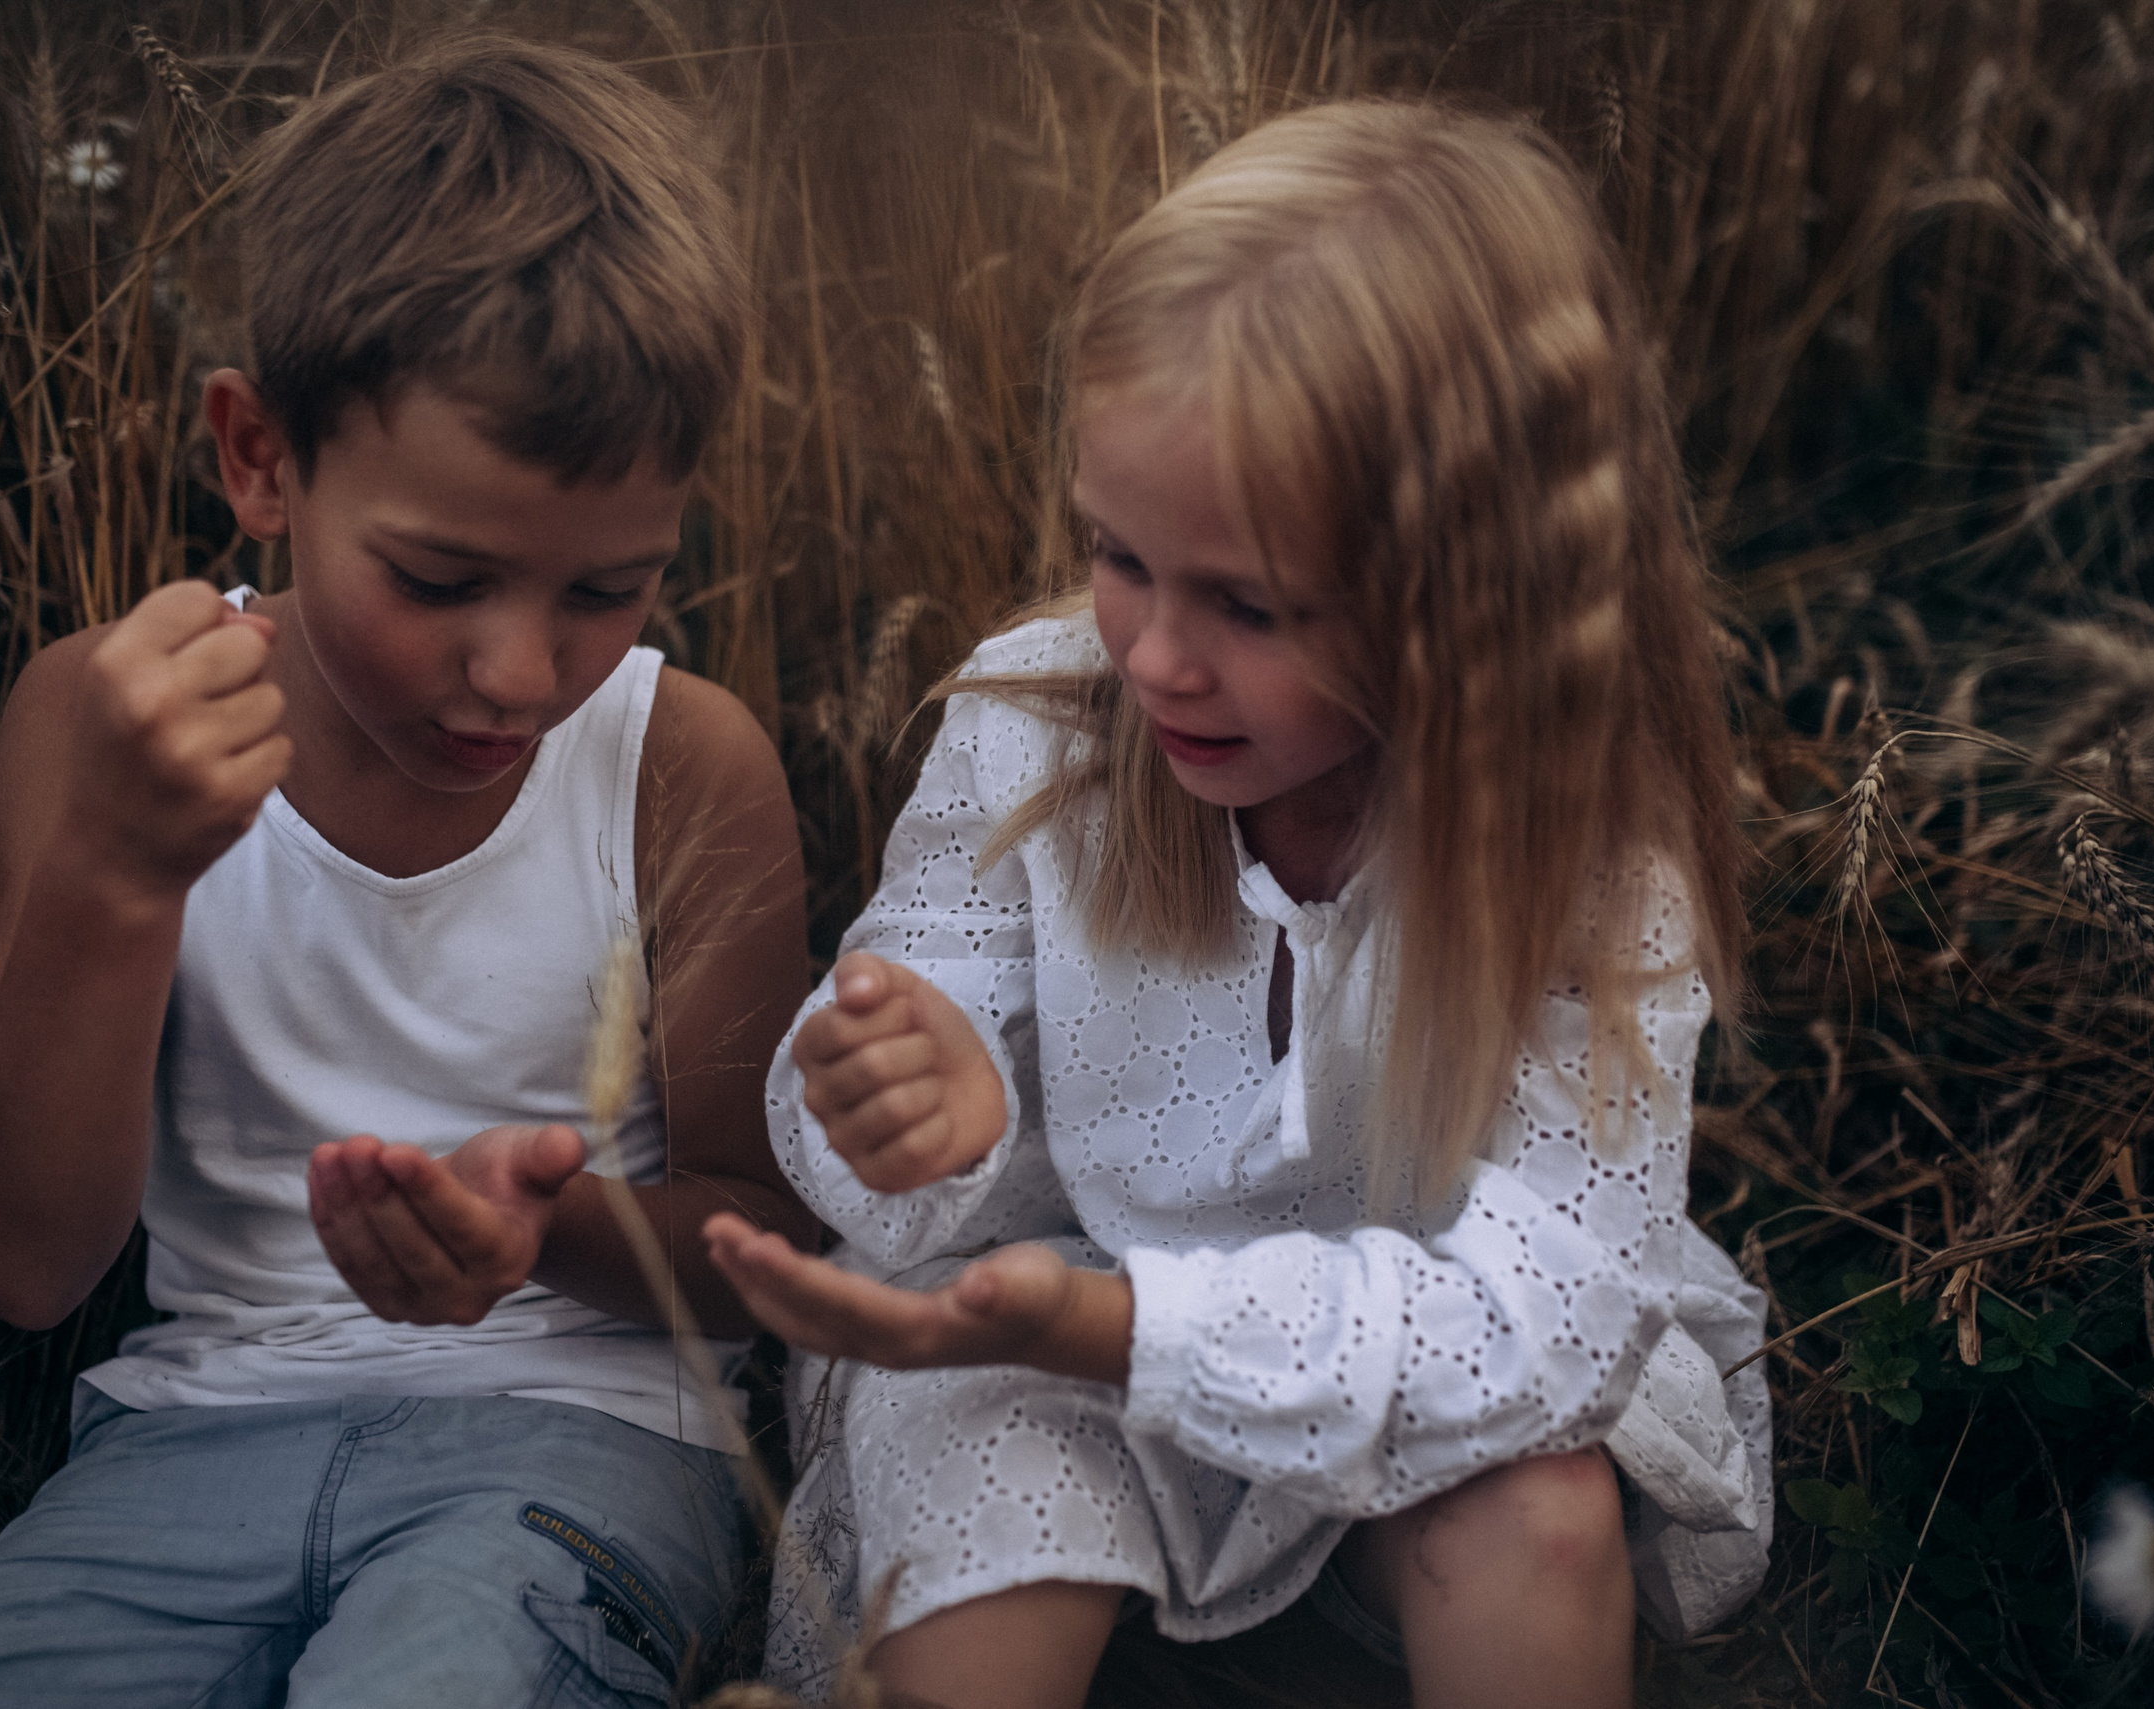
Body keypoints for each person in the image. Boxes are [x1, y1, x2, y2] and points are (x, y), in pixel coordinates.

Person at [704, 101, 1771, 1709]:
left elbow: (1537, 1317)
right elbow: (892, 1030)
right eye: (1117, 554)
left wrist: (1124, 1320)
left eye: (1251, 606)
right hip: (1037, 1337)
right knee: (984, 1494)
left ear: (1478, 599)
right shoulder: (1036, 728)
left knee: (1539, 1510)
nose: (1153, 655)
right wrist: (912, 1103)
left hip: (1412, 1368)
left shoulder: (1584, 855)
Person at [0, 39, 819, 1709]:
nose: (519, 671)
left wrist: (540, 1230)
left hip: (574, 1442)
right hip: (184, 1448)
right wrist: (120, 870)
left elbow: (766, 1241)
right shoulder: (102, 719)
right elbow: (20, 1259)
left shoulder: (680, 761)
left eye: (605, 590)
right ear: (261, 458)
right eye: (438, 578)